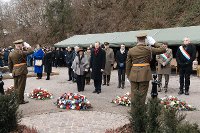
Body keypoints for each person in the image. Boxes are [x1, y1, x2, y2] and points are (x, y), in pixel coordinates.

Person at [126, 33, 166, 111]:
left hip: (133, 74)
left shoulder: (131, 50)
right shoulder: (149, 49)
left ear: (137, 40)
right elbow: (163, 49)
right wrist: (154, 43)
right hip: (145, 74)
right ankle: (140, 112)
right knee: (142, 94)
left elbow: (128, 64)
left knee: (134, 94)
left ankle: (134, 111)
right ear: (145, 40)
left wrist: (128, 75)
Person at [8, 39, 33, 104]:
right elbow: (31, 51)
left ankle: (16, 99)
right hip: (22, 71)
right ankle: (20, 100)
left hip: (14, 71)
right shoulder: (21, 52)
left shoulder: (11, 53)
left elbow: (10, 64)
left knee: (16, 86)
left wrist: (11, 71)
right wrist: (28, 47)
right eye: (21, 45)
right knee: (21, 87)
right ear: (20, 45)